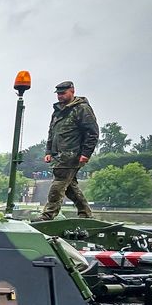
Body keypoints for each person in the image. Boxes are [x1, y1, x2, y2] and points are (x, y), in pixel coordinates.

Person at [39, 81, 98, 220]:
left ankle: (48, 215)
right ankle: (85, 213)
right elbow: (51, 132)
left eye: (63, 93)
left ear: (72, 91)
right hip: (58, 156)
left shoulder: (82, 109)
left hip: (72, 155)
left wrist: (86, 153)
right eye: (58, 94)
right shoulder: (58, 111)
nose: (60, 96)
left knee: (58, 185)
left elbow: (92, 132)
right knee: (70, 188)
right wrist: (48, 151)